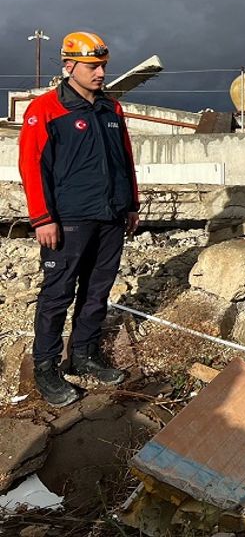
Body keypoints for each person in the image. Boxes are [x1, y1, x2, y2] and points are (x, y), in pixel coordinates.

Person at [18, 31, 139, 407]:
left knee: (97, 292)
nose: (101, 73)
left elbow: (125, 160)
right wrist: (42, 218)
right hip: (67, 220)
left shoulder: (110, 110)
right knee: (57, 294)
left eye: (103, 65)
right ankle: (46, 368)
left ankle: (84, 354)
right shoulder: (46, 109)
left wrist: (131, 204)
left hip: (110, 217)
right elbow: (31, 166)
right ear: (69, 66)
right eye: (93, 66)